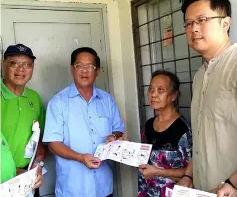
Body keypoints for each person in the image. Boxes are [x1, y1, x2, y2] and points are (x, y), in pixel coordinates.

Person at [43, 47, 125, 197]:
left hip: (103, 185)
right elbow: (53, 144)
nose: (84, 71)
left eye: (90, 67)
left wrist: (114, 136)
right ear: (72, 69)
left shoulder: (107, 100)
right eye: (79, 66)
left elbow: (118, 129)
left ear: (98, 71)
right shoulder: (58, 103)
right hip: (73, 188)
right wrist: (80, 158)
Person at [178, 0, 237, 192]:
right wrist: (188, 175)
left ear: (225, 23)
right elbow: (202, 138)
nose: (193, 28)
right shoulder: (199, 76)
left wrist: (233, 183)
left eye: (202, 20)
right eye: (188, 23)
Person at [138, 70, 192, 197]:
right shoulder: (148, 125)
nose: (153, 94)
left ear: (173, 96)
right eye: (151, 89)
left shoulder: (183, 129)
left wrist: (158, 172)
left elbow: (191, 170)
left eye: (160, 90)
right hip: (146, 191)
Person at [1, 43, 46, 196]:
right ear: (3, 64)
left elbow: (40, 137)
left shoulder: (34, 98)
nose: (21, 69)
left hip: (28, 179)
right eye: (14, 63)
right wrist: (15, 171)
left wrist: (37, 165)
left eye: (27, 64)